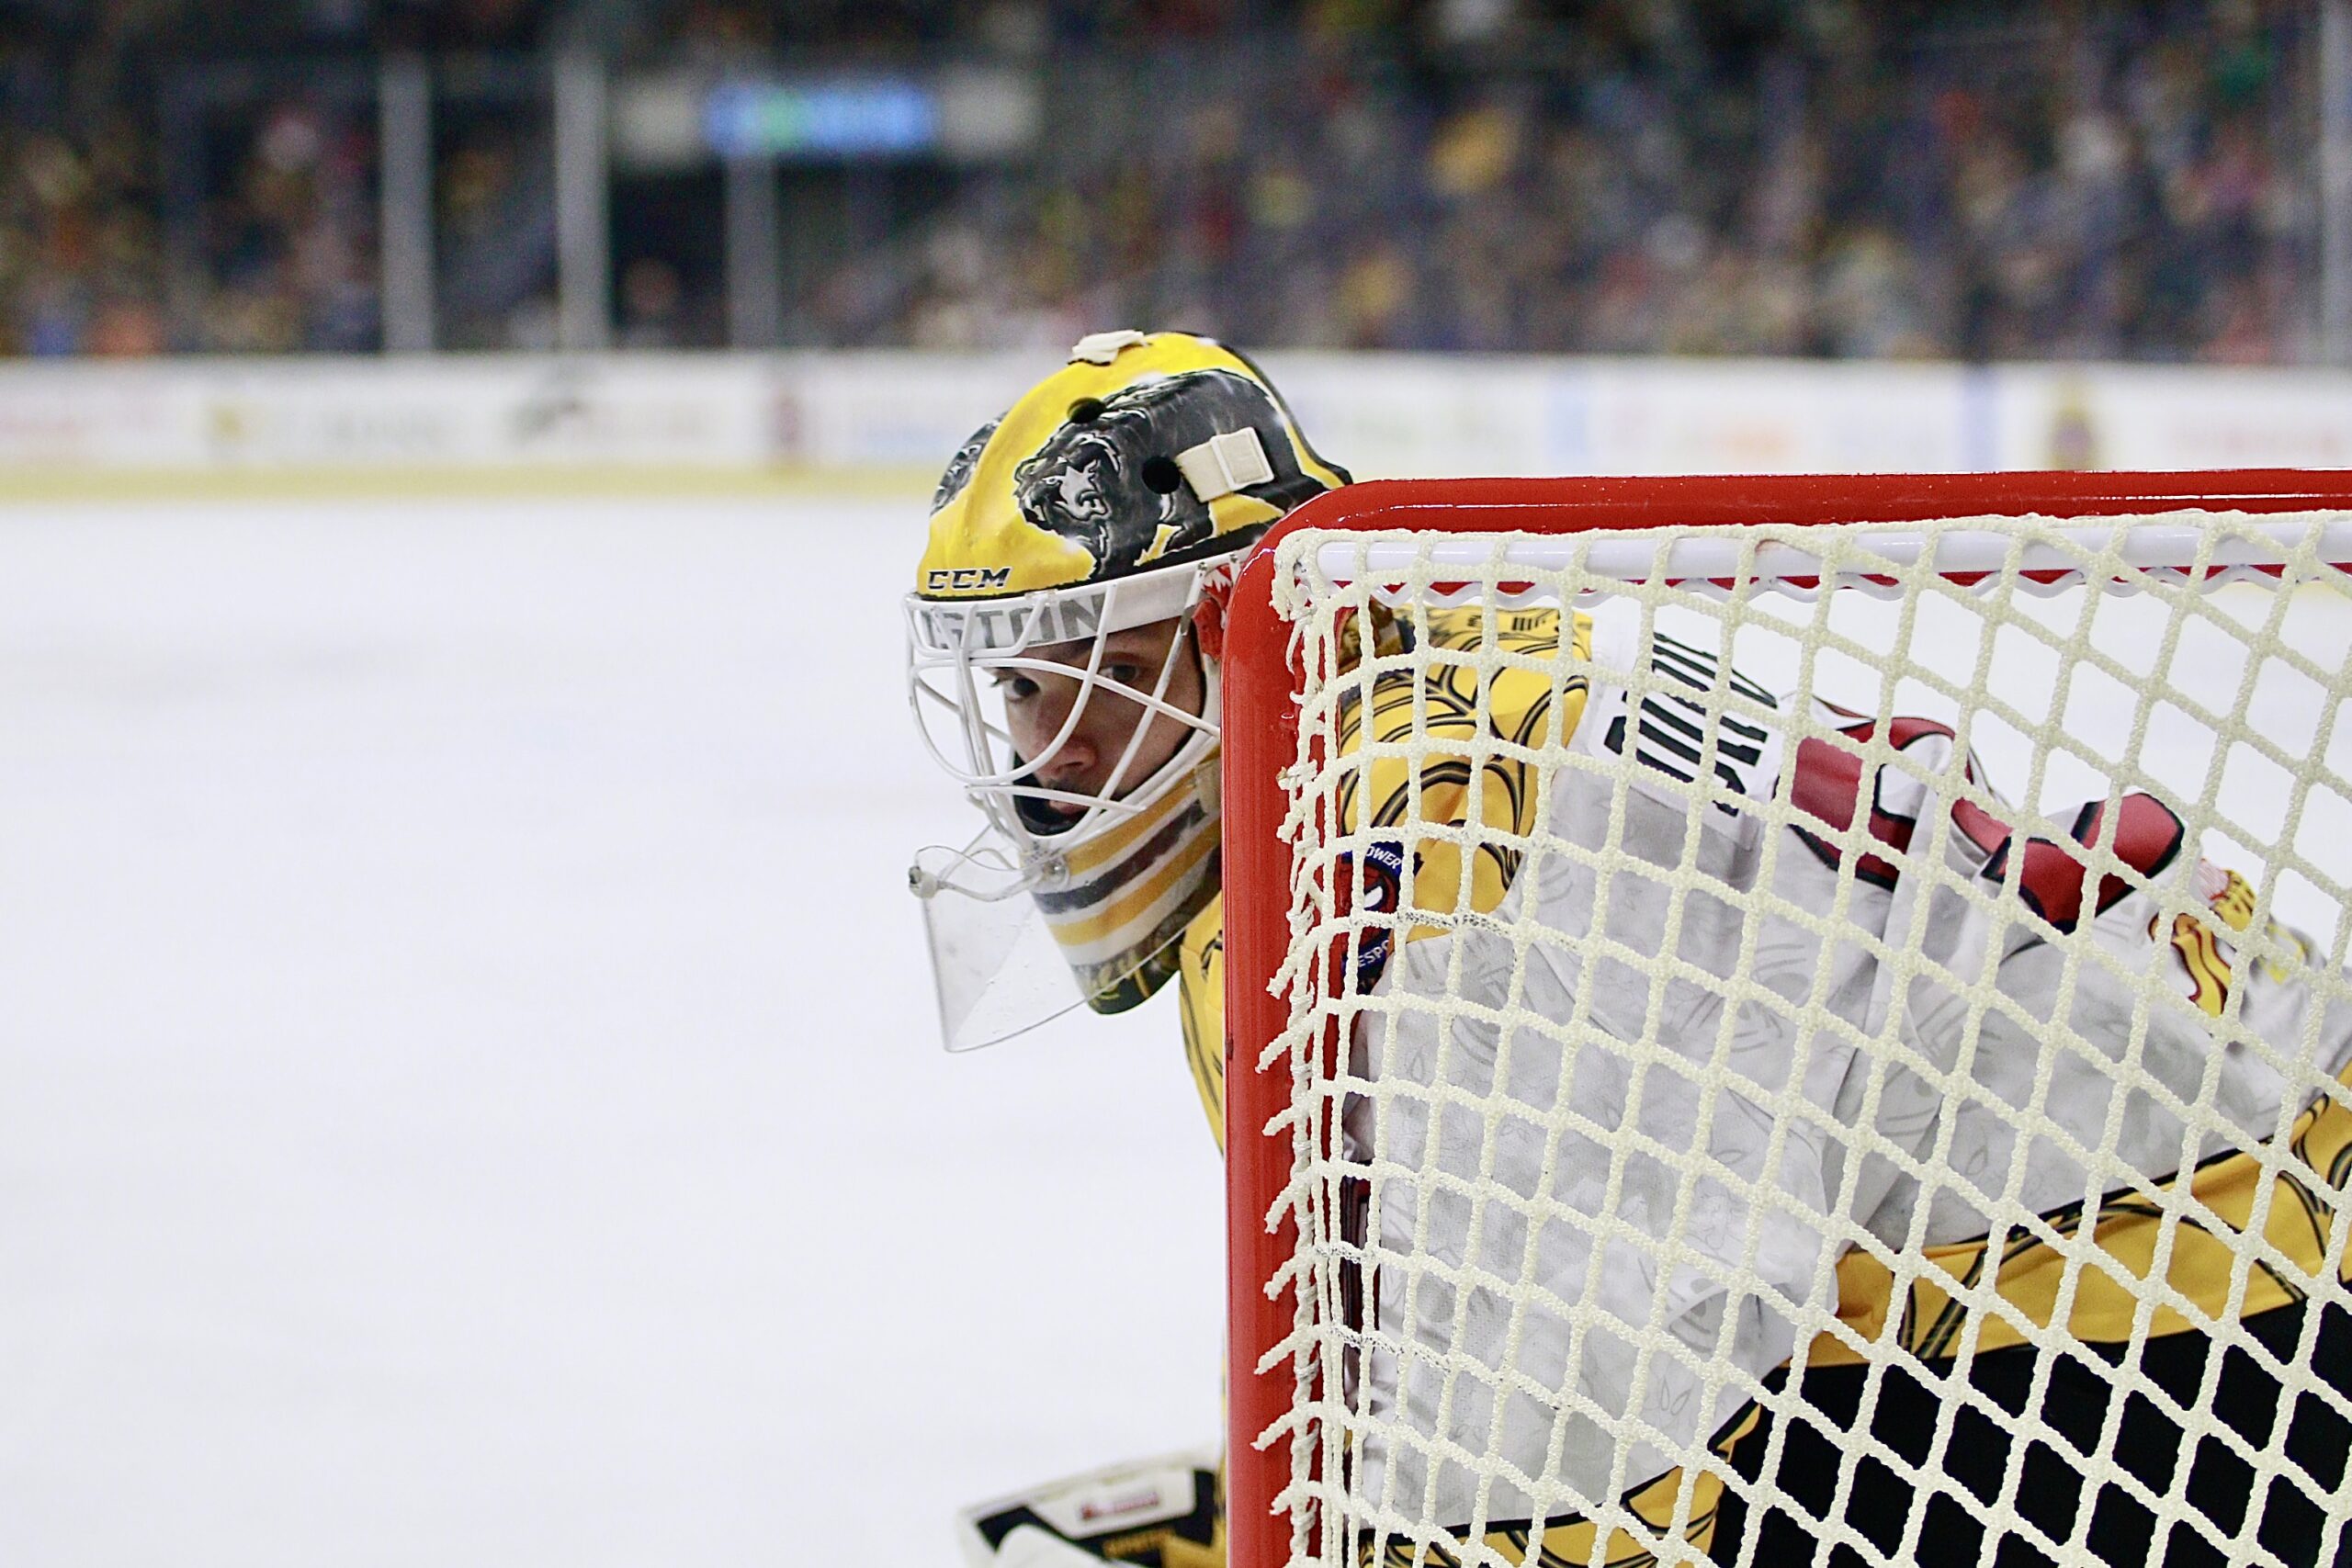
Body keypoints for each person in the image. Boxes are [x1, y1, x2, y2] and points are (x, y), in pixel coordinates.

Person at [906, 332, 2352, 1567]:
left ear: (1230, 637)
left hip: (2209, 1352)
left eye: (1083, 676)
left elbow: (1570, 1448)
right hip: (2176, 1230)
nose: (1042, 760)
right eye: (1015, 694)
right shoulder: (1412, 686)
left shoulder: (1411, 870)